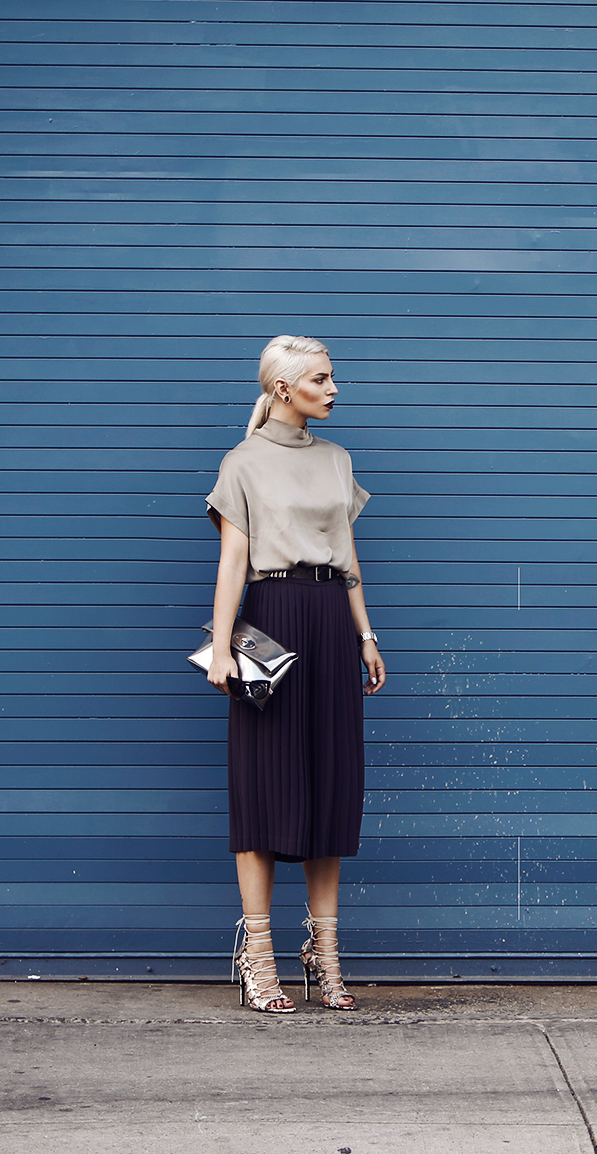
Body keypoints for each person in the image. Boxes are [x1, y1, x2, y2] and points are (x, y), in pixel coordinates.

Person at [204, 335, 386, 1012]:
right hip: (270, 617)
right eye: (322, 377)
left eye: (333, 375)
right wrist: (222, 646)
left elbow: (348, 557)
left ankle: (326, 953)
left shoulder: (338, 460)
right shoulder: (243, 462)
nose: (335, 387)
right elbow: (233, 561)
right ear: (285, 388)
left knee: (329, 783)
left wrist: (365, 633)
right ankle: (258, 958)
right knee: (262, 788)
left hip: (331, 622)